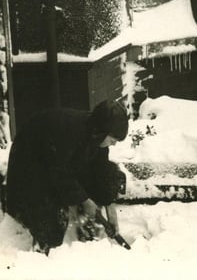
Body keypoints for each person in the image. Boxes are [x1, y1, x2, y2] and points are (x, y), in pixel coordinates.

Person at [5, 100, 129, 253]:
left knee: (105, 174)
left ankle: (87, 233)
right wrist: (84, 200)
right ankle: (43, 251)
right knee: (52, 231)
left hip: (57, 163)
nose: (114, 144)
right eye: (112, 140)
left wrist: (110, 205)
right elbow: (59, 172)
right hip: (29, 166)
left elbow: (101, 170)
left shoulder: (96, 138)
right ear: (101, 131)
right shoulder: (69, 131)